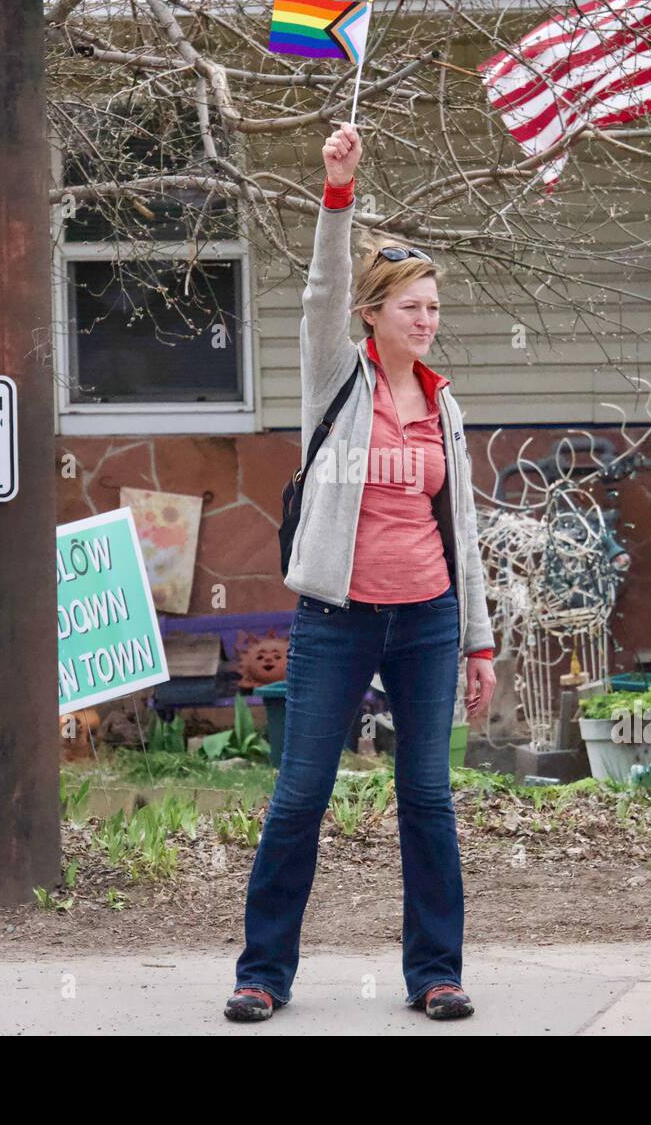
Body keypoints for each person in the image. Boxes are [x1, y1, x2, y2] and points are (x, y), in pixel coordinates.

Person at [226, 121, 498, 1023]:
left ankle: (437, 976)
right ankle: (262, 975)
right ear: (374, 314)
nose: (428, 319)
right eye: (412, 306)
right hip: (338, 621)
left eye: (435, 306)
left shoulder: (446, 406)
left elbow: (461, 527)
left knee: (426, 795)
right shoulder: (334, 380)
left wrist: (478, 642)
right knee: (300, 793)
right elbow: (318, 291)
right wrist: (336, 191)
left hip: (426, 618)